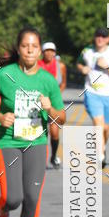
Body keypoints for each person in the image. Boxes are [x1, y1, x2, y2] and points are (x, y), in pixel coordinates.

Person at [0, 27, 65, 217]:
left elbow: (62, 118)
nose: (29, 50)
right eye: (25, 46)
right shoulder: (3, 76)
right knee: (12, 197)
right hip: (7, 142)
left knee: (32, 198)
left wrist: (49, 109)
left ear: (40, 50)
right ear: (19, 48)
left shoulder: (47, 80)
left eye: (34, 46)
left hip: (36, 143)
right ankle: (2, 209)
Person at [77, 28, 109, 169]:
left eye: (103, 37)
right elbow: (79, 63)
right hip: (92, 92)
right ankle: (100, 155)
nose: (100, 39)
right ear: (94, 37)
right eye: (98, 36)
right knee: (98, 123)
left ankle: (103, 147)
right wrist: (82, 69)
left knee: (105, 127)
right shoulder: (87, 51)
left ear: (108, 39)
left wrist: (108, 66)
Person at [38, 41, 67, 169]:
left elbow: (64, 83)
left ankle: (54, 155)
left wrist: (56, 94)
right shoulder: (37, 65)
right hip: (39, 101)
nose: (49, 53)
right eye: (47, 51)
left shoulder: (60, 66)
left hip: (54, 103)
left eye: (52, 51)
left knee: (54, 132)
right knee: (40, 132)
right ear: (42, 53)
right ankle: (38, 158)